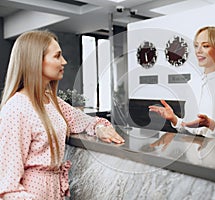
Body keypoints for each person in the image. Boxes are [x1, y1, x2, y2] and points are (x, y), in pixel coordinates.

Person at [0, 30, 124, 200]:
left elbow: (84, 122)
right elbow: (7, 188)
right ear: (35, 61)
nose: (64, 62)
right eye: (57, 56)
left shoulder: (51, 101)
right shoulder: (16, 108)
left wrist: (100, 128)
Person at [149, 26, 215, 141]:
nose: (198, 51)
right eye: (196, 46)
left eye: (205, 46)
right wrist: (174, 119)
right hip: (192, 155)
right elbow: (188, 127)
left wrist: (211, 125)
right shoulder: (192, 83)